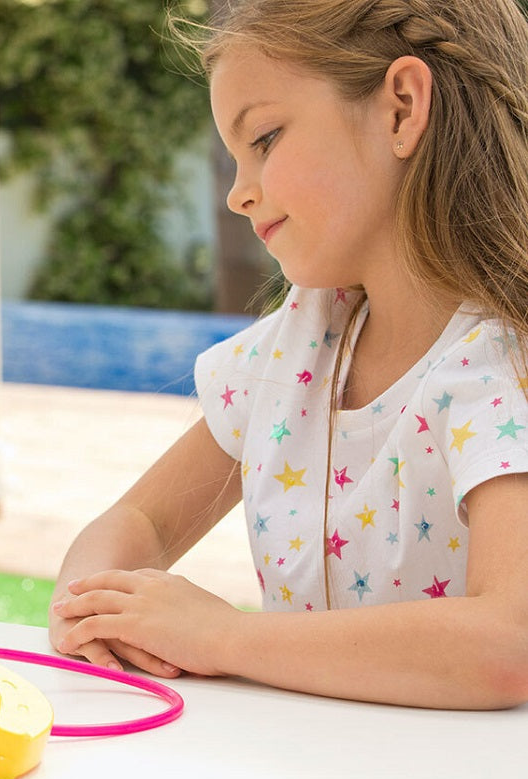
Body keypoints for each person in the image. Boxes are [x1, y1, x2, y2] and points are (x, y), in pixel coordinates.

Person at [49, 0, 528, 710]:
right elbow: (143, 523)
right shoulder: (299, 347)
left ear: (401, 109)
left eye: (265, 139)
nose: (239, 194)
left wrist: (222, 637)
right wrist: (89, 607)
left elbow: (506, 643)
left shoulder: (500, 364)